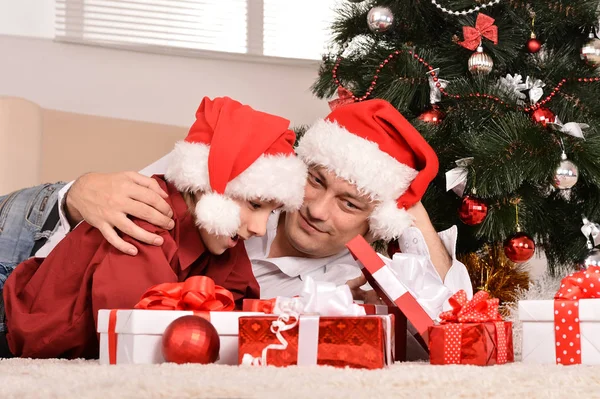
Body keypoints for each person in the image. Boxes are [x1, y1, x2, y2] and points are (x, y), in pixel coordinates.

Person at [0, 99, 472, 359]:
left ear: (375, 220)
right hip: (30, 238)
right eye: (314, 181)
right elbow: (117, 297)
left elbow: (450, 320)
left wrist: (411, 213)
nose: (316, 209)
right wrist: (73, 193)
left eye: (349, 204)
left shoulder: (359, 271)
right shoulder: (235, 175)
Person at [0, 96, 308, 359]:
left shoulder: (222, 240)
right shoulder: (147, 218)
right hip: (10, 327)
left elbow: (243, 313)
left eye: (272, 213)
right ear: (206, 187)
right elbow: (142, 340)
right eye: (254, 205)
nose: (259, 228)